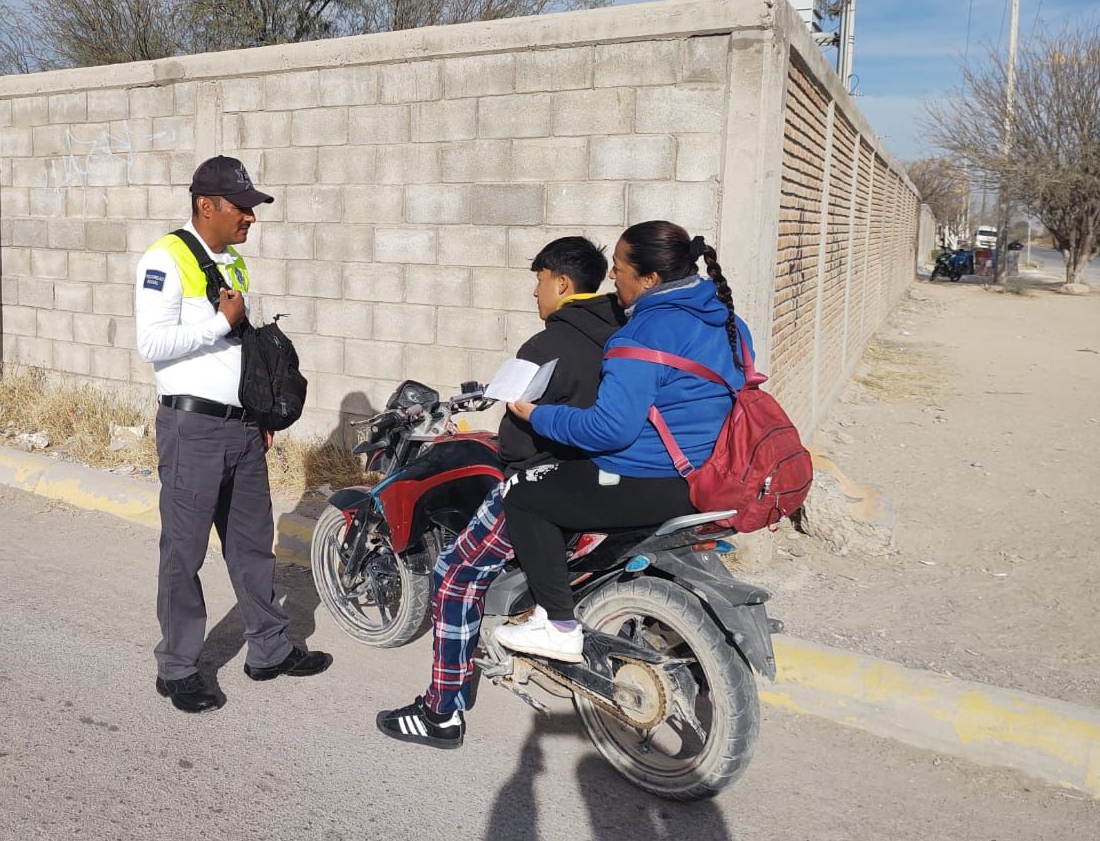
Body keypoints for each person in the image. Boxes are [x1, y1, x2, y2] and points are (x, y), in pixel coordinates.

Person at [375, 237, 624, 749]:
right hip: (608, 484)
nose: (535, 293)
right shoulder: (620, 336)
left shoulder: (547, 345)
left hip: (543, 485)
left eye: (538, 281)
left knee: (455, 575)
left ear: (561, 283)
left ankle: (441, 712)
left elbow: (515, 431)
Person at [493, 220, 754, 663]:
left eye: (619, 268)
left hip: (651, 477)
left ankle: (557, 623)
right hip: (712, 471)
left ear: (650, 279)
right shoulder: (729, 322)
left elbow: (609, 429)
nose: (613, 277)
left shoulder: (641, 333)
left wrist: (537, 414)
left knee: (524, 492)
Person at [134, 155, 332, 713]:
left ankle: (268, 649)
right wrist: (220, 322)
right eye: (242, 207)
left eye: (251, 208)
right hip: (192, 428)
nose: (251, 218)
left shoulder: (234, 263)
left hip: (242, 429)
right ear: (206, 205)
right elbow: (153, 344)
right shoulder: (165, 258)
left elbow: (239, 347)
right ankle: (177, 667)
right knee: (184, 553)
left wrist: (262, 415)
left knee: (251, 547)